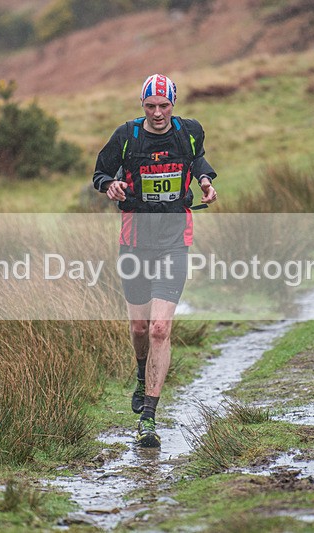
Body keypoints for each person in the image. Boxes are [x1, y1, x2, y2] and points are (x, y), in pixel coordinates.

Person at [93, 73, 217, 447]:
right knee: (141, 329)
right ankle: (139, 371)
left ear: (173, 105)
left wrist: (206, 181)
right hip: (134, 243)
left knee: (161, 328)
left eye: (164, 106)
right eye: (151, 107)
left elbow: (196, 160)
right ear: (142, 106)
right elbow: (100, 173)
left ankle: (148, 417)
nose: (158, 113)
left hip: (174, 240)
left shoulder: (188, 131)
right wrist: (109, 185)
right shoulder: (127, 137)